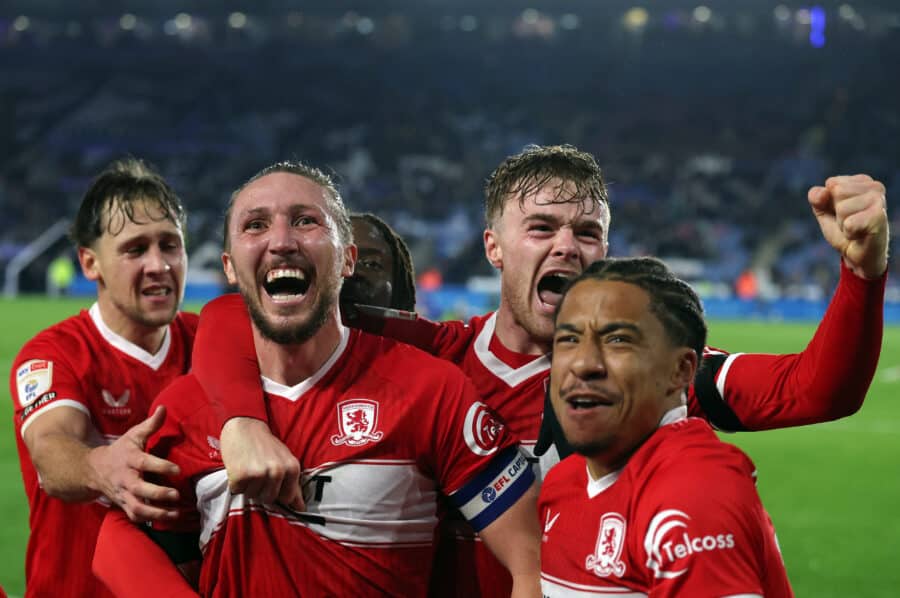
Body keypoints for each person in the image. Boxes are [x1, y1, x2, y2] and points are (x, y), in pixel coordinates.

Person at [189, 145, 889, 596]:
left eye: (587, 233)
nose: (567, 247)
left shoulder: (644, 379)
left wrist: (861, 274)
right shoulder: (431, 356)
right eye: (543, 228)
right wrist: (243, 421)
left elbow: (816, 389)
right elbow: (236, 316)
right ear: (494, 247)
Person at [92, 161, 542, 597]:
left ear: (347, 259)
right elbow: (129, 541)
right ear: (229, 267)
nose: (281, 240)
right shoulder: (187, 406)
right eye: (255, 225)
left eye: (306, 221)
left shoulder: (430, 388)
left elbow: (532, 562)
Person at [539, 257, 793, 596]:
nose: (583, 363)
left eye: (617, 340)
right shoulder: (562, 481)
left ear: (681, 371)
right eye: (568, 340)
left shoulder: (692, 494)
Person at [9, 157, 196, 598]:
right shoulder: (54, 355)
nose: (159, 264)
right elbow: (50, 448)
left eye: (170, 245)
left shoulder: (210, 344)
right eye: (135, 249)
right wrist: (99, 466)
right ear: (90, 264)